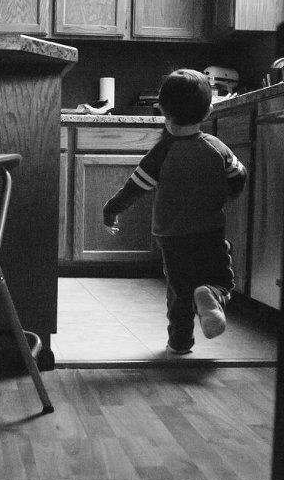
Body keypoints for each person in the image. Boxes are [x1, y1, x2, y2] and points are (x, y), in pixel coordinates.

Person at [102, 69, 247, 354]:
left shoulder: (161, 154)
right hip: (209, 231)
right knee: (220, 278)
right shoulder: (216, 147)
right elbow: (238, 176)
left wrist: (111, 210)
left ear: (164, 112)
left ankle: (179, 344)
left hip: (172, 238)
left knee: (179, 291)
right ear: (207, 111)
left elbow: (134, 188)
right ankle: (212, 294)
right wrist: (228, 194)